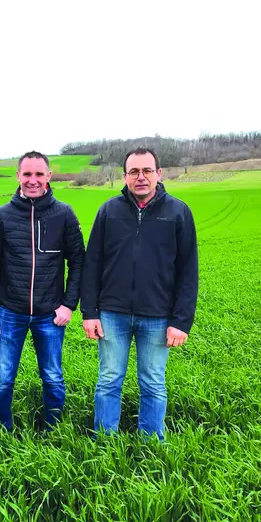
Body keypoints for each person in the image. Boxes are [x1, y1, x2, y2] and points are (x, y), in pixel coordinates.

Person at [80, 147, 198, 441]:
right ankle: (104, 443)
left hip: (158, 316)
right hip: (112, 314)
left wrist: (181, 321)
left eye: (147, 171)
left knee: (153, 383)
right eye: (134, 171)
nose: (141, 177)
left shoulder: (179, 212)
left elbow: (188, 271)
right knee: (108, 380)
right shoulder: (109, 211)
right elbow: (92, 263)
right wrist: (90, 313)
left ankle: (151, 445)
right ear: (125, 176)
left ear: (159, 174)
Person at [0, 151, 85, 431]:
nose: (33, 180)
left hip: (50, 314)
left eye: (39, 174)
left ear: (49, 176)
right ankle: (1, 429)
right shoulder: (2, 216)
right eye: (27, 174)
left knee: (52, 376)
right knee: (3, 377)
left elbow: (78, 262)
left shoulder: (63, 214)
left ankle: (51, 429)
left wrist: (68, 305)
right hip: (9, 312)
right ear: (18, 176)